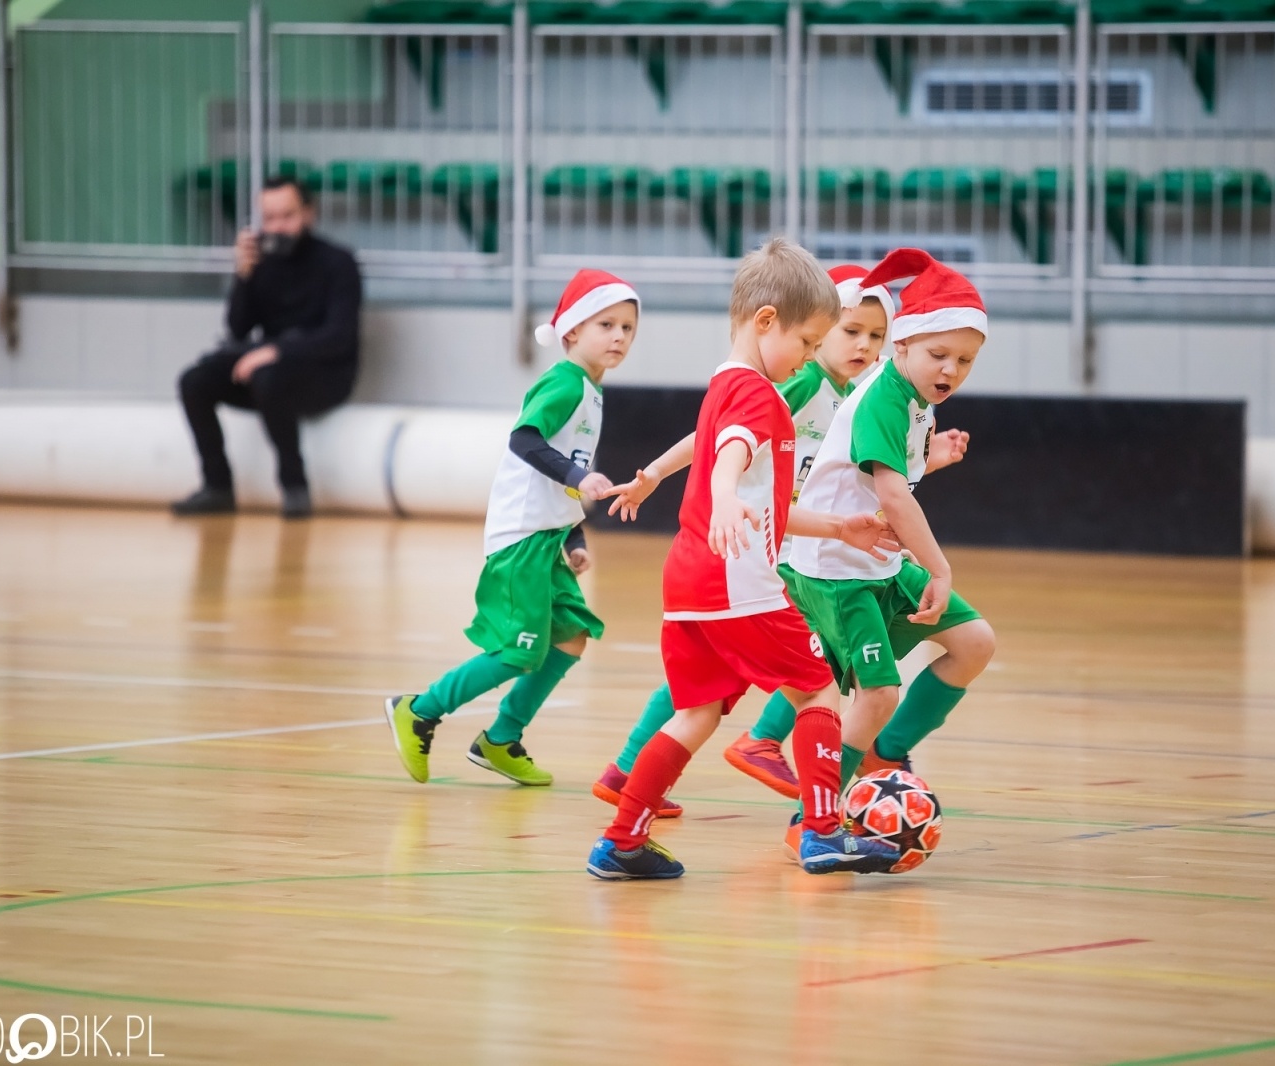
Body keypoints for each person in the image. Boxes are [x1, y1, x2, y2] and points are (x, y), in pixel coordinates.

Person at [584, 239, 902, 880]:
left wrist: (838, 527)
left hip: (689, 581)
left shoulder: (724, 384)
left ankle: (621, 842)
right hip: (737, 582)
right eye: (807, 342)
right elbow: (731, 453)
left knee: (695, 713)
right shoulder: (759, 396)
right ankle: (823, 833)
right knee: (816, 687)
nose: (810, 356)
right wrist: (725, 494)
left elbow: (756, 491)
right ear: (765, 321)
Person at [777, 246, 997, 854]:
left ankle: (886, 752)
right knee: (875, 694)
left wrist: (933, 459)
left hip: (877, 561)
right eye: (939, 354)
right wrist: (939, 567)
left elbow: (889, 476)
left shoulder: (915, 400)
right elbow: (892, 495)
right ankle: (812, 820)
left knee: (974, 643)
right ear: (901, 344)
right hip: (835, 571)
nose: (951, 369)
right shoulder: (884, 396)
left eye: (965, 360)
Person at [383, 270, 638, 787]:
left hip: (549, 538)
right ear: (571, 331)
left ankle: (500, 739)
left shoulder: (591, 390)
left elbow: (563, 470)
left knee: (570, 638)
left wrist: (573, 535)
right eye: (606, 324)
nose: (619, 336)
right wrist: (578, 479)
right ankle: (420, 709)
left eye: (628, 328)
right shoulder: (564, 382)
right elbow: (524, 440)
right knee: (520, 651)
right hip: (522, 539)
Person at [172, 176, 362, 520]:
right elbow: (237, 328)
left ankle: (294, 487)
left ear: (308, 214)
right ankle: (217, 486)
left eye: (287, 216)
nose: (278, 227)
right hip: (268, 369)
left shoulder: (338, 262)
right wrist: (244, 276)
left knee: (267, 377)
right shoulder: (262, 262)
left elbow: (338, 337)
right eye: (270, 218)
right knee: (194, 381)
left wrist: (277, 351)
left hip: (324, 376)